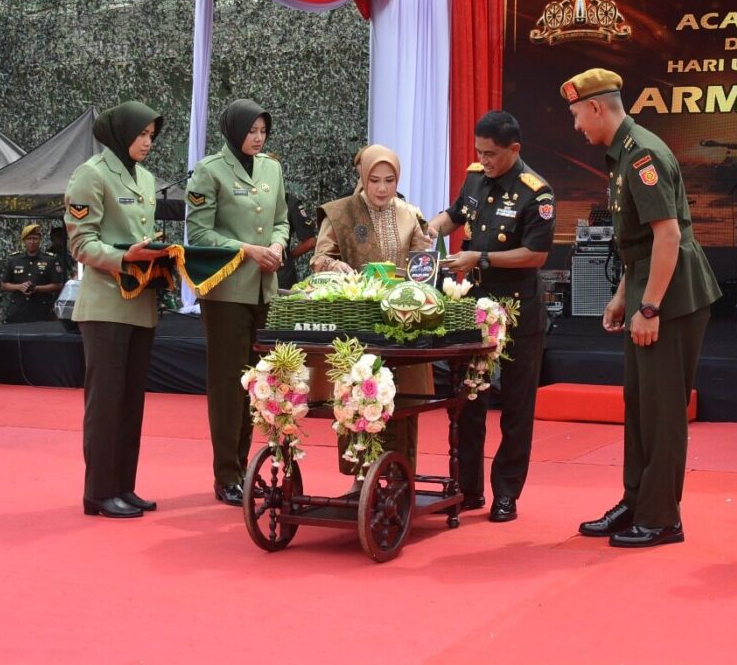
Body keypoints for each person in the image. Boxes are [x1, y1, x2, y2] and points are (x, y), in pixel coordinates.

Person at [562, 70, 721, 548]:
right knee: (640, 405)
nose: (575, 127)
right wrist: (622, 296)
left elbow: (668, 236)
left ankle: (661, 517)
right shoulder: (623, 154)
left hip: (671, 296)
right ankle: (637, 502)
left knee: (663, 409)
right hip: (650, 286)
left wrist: (648, 307)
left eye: (576, 116)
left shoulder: (643, 154)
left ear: (596, 108)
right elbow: (640, 244)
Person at [426, 111, 555, 524]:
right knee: (469, 400)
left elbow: (535, 255)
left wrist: (478, 257)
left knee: (516, 407)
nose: (484, 160)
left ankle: (506, 493)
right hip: (475, 305)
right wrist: (429, 227)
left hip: (518, 309)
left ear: (514, 150)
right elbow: (457, 214)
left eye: (492, 154)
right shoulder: (476, 176)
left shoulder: (537, 192)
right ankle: (469, 488)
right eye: (479, 151)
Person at [65, 101, 170, 519]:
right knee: (106, 403)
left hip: (140, 304)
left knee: (130, 404)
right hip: (105, 305)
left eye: (150, 135)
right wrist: (127, 258)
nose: (147, 142)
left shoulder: (144, 177)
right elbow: (80, 243)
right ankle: (99, 491)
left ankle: (123, 486)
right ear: (120, 132)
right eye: (141, 134)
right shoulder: (91, 174)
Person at [186, 99, 289, 506]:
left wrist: (279, 243)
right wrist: (247, 249)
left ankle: (246, 469)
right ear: (234, 131)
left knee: (256, 384)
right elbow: (199, 232)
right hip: (227, 290)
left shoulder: (272, 167)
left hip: (265, 288)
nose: (258, 138)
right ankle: (225, 473)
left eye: (263, 131)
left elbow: (281, 218)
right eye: (251, 131)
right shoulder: (209, 170)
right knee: (229, 384)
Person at [311, 145, 433, 472]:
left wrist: (427, 250)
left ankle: (400, 474)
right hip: (357, 325)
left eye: (389, 180)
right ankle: (359, 477)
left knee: (403, 401)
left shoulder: (410, 214)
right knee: (357, 398)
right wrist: (334, 268)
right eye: (374, 180)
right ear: (363, 178)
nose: (381, 188)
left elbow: (424, 265)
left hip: (402, 323)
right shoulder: (341, 213)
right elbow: (320, 260)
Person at [0, 223, 67, 323]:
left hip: (40, 310)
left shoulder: (50, 259)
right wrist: (19, 287)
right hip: (18, 310)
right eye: (29, 239)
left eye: (35, 238)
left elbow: (58, 285)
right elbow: (4, 285)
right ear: (24, 241)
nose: (32, 242)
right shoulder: (14, 259)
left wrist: (36, 288)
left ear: (40, 240)